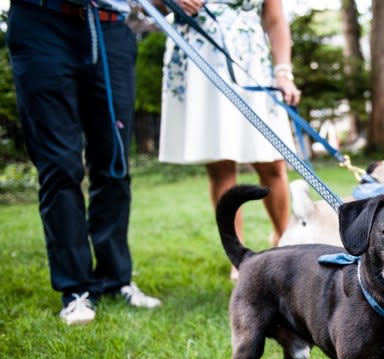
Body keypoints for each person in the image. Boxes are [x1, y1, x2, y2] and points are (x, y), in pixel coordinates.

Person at [7, 0, 162, 326]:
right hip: (41, 22)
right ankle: (75, 289)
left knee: (114, 162)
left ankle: (115, 279)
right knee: (60, 165)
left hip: (110, 28)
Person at [158, 0, 301, 279]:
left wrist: (283, 71)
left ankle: (285, 245)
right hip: (201, 59)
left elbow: (275, 20)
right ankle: (239, 260)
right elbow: (150, 7)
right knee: (221, 164)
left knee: (272, 162)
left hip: (251, 61)